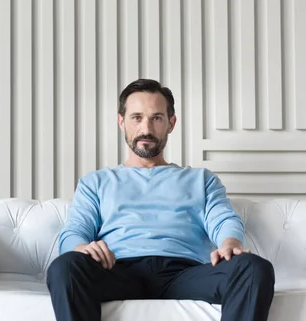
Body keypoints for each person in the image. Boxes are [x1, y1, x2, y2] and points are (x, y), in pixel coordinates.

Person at [46, 79, 275, 321]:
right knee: (66, 266)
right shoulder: (96, 182)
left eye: (156, 118)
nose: (146, 129)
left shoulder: (201, 180)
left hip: (185, 274)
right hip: (117, 270)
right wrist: (82, 247)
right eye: (136, 117)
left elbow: (224, 220)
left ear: (171, 123)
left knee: (253, 268)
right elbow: (74, 232)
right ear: (121, 121)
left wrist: (230, 243)